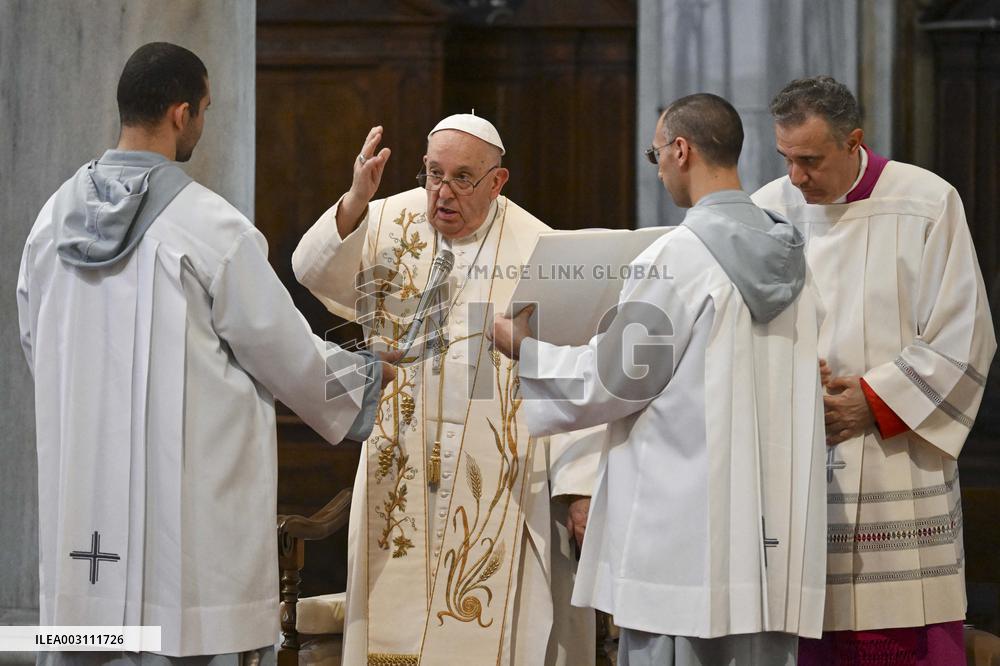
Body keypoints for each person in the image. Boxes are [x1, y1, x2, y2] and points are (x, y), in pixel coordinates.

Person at [16, 42, 392, 664]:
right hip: (187, 526)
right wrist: (374, 387)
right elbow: (286, 353)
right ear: (181, 113)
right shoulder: (208, 228)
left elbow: (37, 345)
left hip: (79, 494)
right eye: (206, 110)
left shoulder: (51, 221)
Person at [492, 93, 828, 665]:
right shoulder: (790, 258)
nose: (660, 170)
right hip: (768, 534)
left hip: (683, 535)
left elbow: (613, 379)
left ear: (681, 149)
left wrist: (524, 348)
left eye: (656, 156)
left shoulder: (676, 259)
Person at [291, 115, 599, 665]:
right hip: (399, 455)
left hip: (500, 476)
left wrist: (579, 487)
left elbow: (575, 374)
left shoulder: (541, 248)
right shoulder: (386, 221)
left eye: (463, 178)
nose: (442, 193)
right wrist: (356, 199)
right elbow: (312, 271)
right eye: (433, 174)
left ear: (498, 181)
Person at [753, 75, 996, 664]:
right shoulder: (764, 210)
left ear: (853, 140)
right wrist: (782, 374)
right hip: (800, 453)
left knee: (902, 630)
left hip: (898, 453)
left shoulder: (926, 201)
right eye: (786, 158)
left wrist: (873, 401)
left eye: (810, 160)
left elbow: (965, 335)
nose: (796, 177)